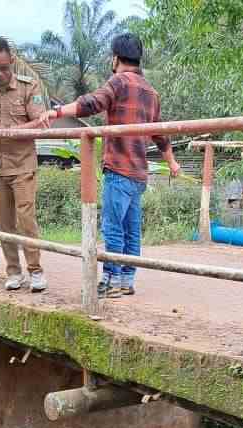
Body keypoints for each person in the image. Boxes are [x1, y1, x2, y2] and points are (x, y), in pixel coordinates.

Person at [40, 32, 180, 298]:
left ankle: (110, 279)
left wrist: (57, 112)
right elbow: (161, 134)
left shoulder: (119, 82)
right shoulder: (151, 92)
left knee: (114, 228)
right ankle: (126, 280)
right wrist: (172, 163)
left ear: (115, 58)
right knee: (131, 229)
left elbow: (92, 102)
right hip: (139, 174)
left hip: (118, 168)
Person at [0, 38, 48, 293]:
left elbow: (40, 123)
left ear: (12, 61)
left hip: (22, 164)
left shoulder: (29, 87)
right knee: (4, 222)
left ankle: (36, 271)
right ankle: (13, 271)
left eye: (4, 68)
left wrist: (5, 130)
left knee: (26, 218)